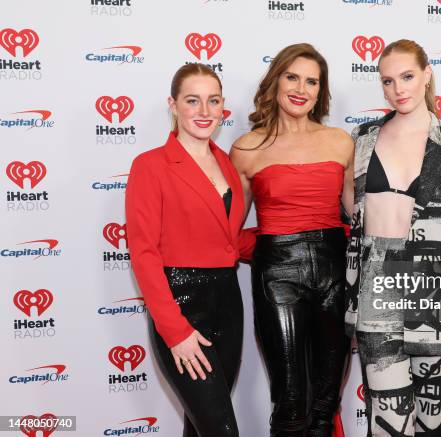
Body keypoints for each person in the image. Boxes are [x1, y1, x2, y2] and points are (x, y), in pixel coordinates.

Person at [344, 39, 441, 437]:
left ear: (426, 75)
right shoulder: (363, 138)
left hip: (435, 299)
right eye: (387, 81)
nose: (398, 89)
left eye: (407, 76)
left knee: (434, 423)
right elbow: (351, 215)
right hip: (375, 294)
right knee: (387, 423)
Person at [230, 43, 354, 437]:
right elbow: (228, 229)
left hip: (336, 270)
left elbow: (359, 215)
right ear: (276, 81)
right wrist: (269, 249)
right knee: (289, 402)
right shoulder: (247, 148)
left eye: (312, 81)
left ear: (321, 91)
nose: (301, 88)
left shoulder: (340, 141)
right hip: (277, 275)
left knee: (325, 402)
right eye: (293, 77)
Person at [126, 63, 254, 437]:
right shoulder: (150, 166)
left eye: (212, 101)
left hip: (228, 305)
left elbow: (227, 241)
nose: (203, 111)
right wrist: (175, 330)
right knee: (221, 428)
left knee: (200, 427)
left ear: (222, 106)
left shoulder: (226, 164)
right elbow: (144, 253)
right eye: (192, 100)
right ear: (173, 104)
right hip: (181, 303)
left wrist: (299, 235)